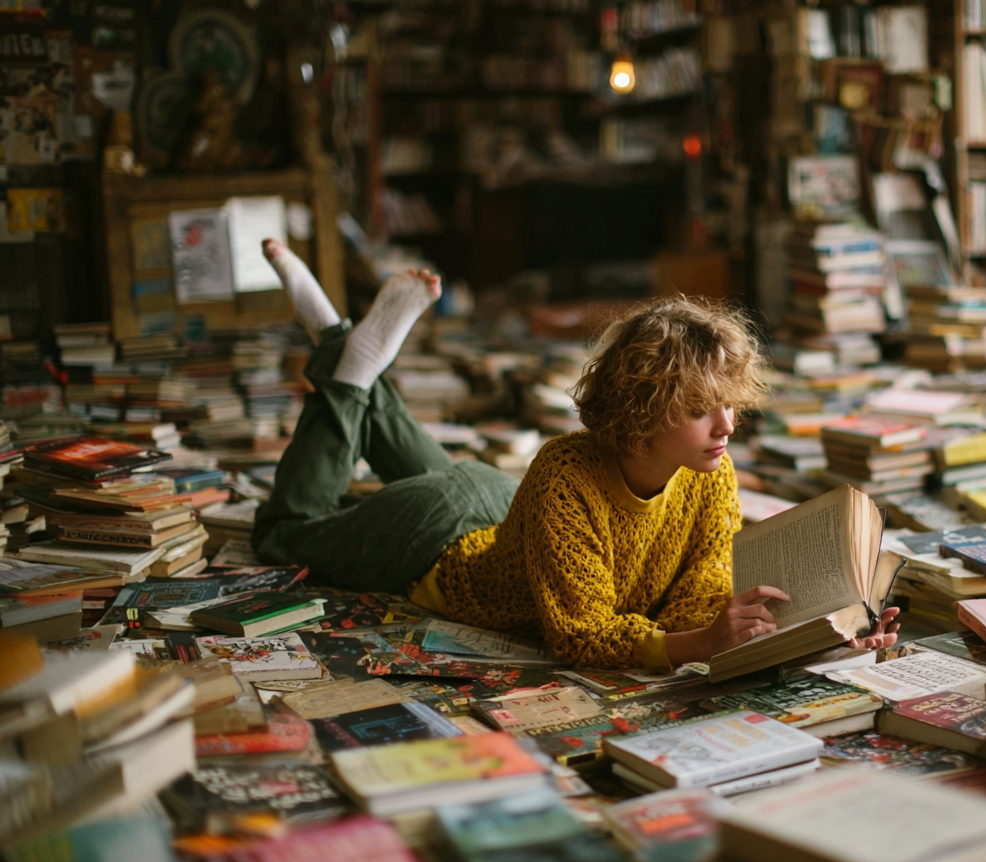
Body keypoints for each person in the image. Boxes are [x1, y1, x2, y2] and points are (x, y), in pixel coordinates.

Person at [253, 240, 901, 670]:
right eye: (703, 407)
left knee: (421, 465)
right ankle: (349, 368)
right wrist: (697, 644)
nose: (727, 424)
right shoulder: (565, 473)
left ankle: (349, 349)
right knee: (283, 534)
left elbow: (698, 592)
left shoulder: (710, 470)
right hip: (433, 542)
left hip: (495, 500)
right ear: (645, 407)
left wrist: (824, 633)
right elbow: (577, 632)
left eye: (729, 403)